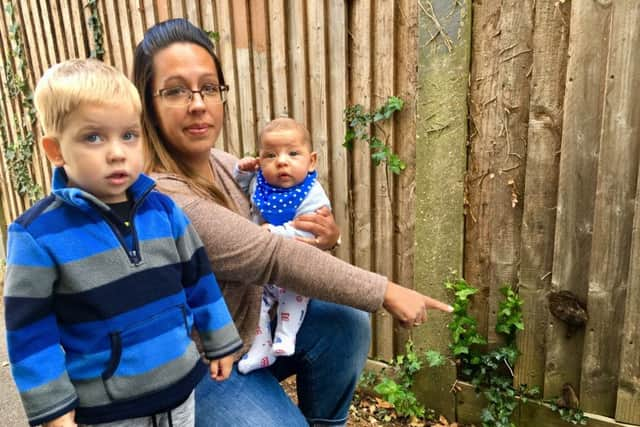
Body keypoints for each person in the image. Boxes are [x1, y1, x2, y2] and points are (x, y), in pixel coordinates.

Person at [133, 18, 452, 427]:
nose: (198, 103)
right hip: (198, 362)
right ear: (148, 102)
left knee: (344, 321)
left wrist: (326, 237)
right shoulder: (161, 196)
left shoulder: (227, 165)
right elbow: (268, 255)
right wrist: (384, 290)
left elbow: (289, 220)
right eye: (175, 90)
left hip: (248, 329)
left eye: (209, 87)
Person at [3, 59, 242, 427]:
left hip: (180, 392)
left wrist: (220, 338)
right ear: (56, 150)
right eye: (93, 137)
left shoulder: (163, 209)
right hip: (108, 411)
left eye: (128, 135)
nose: (117, 151)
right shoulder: (37, 235)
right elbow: (30, 333)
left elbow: (198, 278)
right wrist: (53, 408)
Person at [233, 117, 330, 373]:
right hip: (261, 270)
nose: (282, 161)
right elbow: (242, 186)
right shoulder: (260, 184)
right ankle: (262, 348)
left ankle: (285, 337)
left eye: (293, 153)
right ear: (260, 160)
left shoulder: (312, 194)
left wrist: (273, 232)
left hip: (292, 266)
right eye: (270, 155)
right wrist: (243, 170)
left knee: (294, 297)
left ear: (312, 161)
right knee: (256, 307)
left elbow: (307, 231)